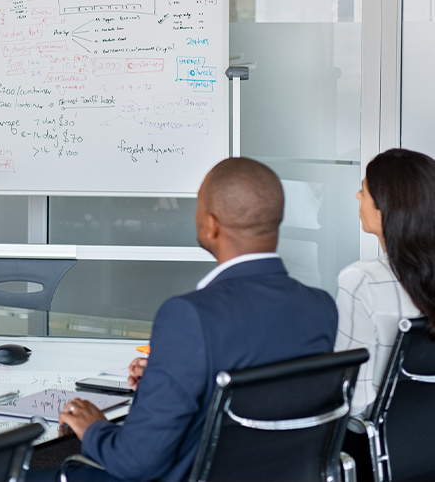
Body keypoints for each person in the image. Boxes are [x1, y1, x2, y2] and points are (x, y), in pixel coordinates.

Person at [56, 157, 338, 482]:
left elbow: (136, 463)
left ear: (211, 224)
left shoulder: (190, 316)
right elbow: (264, 388)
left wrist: (94, 429)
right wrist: (170, 373)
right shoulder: (320, 307)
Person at [334, 148, 435, 417]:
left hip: (380, 449)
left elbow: (354, 400)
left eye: (364, 192)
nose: (357, 196)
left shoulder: (361, 282)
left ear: (385, 210)